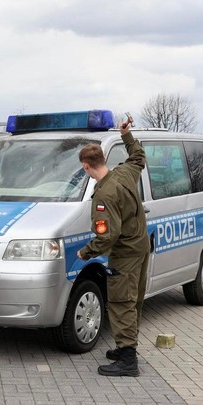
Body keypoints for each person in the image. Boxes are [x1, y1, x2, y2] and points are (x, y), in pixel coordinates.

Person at [77, 116, 150, 377]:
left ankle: (128, 359)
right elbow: (139, 156)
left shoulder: (105, 193)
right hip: (140, 247)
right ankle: (124, 348)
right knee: (133, 299)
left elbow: (108, 235)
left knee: (122, 302)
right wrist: (126, 135)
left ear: (86, 167)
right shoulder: (124, 172)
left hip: (125, 253)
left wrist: (86, 252)